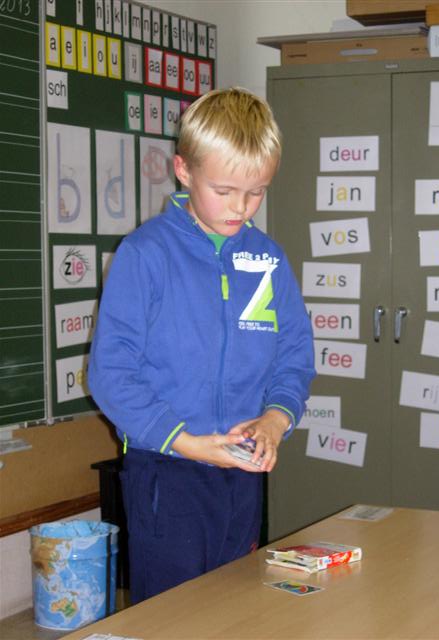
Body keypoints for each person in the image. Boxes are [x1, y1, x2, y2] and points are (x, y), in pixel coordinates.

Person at [88, 87, 315, 604]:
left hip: (241, 468)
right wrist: (187, 441)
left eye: (256, 192)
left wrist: (274, 419)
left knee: (234, 605)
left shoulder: (267, 260)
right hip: (167, 467)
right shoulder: (145, 255)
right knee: (174, 612)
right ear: (184, 171)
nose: (241, 207)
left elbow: (294, 354)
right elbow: (111, 374)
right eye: (225, 189)